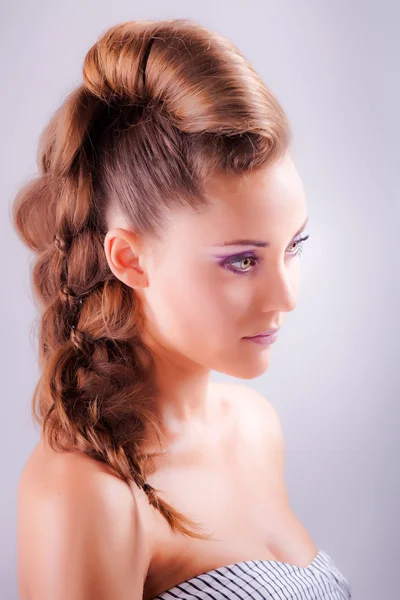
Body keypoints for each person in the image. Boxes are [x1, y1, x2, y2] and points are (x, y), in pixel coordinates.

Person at [14, 17, 352, 600]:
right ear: (131, 259)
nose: (287, 296)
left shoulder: (254, 426)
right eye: (242, 261)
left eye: (293, 246)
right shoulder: (88, 494)